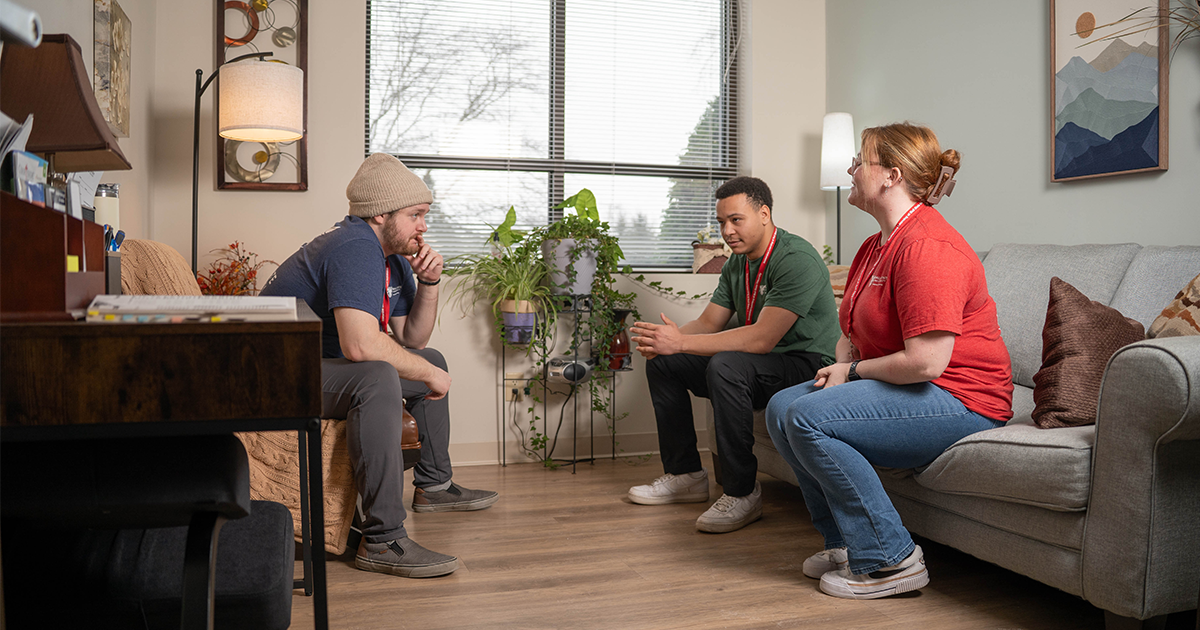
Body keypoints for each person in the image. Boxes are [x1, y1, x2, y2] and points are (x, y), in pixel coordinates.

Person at [765, 122, 1013, 600]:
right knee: (781, 408)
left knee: (808, 416)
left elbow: (926, 363)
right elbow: (851, 332)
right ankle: (844, 544)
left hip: (963, 399)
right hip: (912, 388)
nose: (852, 169)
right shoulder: (874, 244)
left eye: (860, 161)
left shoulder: (928, 247)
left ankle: (890, 560)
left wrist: (851, 372)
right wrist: (844, 358)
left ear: (891, 175)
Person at [260, 153, 498, 578]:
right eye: (416, 215)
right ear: (381, 214)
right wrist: (426, 374)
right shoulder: (355, 246)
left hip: (317, 363)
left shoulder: (389, 256)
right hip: (274, 371)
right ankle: (383, 539)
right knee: (377, 377)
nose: (424, 225)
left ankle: (434, 485)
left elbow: (413, 340)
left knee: (429, 358)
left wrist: (428, 283)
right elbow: (360, 346)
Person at [627, 176, 839, 533]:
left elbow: (761, 340)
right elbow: (710, 323)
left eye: (736, 220)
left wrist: (680, 342)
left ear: (764, 214)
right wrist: (670, 340)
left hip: (809, 366)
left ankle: (742, 493)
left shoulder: (795, 259)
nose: (726, 230)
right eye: (722, 221)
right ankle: (686, 475)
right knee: (667, 362)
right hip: (762, 365)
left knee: (728, 365)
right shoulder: (736, 264)